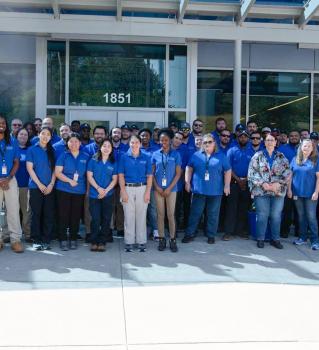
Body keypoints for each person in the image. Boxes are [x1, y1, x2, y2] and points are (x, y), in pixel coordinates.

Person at [182, 134, 231, 244]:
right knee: (195, 213)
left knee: (213, 214)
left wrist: (227, 185)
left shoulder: (221, 156)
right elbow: (189, 168)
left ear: (214, 143)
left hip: (215, 191)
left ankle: (211, 235)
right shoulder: (196, 155)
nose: (207, 144)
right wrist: (187, 182)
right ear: (202, 144)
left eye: (210, 142)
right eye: (205, 142)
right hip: (199, 190)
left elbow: (227, 170)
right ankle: (190, 234)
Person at [248, 134, 291, 249]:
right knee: (262, 215)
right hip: (261, 191)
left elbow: (287, 173)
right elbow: (252, 173)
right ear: (264, 142)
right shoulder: (257, 156)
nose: (270, 142)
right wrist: (263, 184)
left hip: (277, 191)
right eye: (268, 140)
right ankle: (260, 238)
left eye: (272, 140)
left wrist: (278, 184)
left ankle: (275, 239)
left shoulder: (281, 157)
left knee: (276, 216)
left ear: (276, 142)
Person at [55, 133, 89, 250]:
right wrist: (70, 181)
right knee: (63, 215)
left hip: (79, 191)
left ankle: (73, 238)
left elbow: (88, 174)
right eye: (71, 141)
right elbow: (57, 172)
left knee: (75, 216)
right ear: (67, 143)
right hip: (63, 189)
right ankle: (63, 239)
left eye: (76, 141)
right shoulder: (63, 155)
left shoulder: (85, 156)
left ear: (80, 143)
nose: (73, 144)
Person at [118, 135, 152, 252]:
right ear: (129, 143)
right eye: (132, 142)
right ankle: (129, 241)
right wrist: (123, 192)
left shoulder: (147, 157)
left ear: (140, 143)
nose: (134, 145)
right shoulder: (123, 157)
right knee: (129, 215)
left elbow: (149, 176)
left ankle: (141, 241)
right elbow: (121, 175)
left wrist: (148, 192)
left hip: (142, 188)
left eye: (137, 142)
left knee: (141, 216)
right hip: (128, 188)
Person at [26, 127, 56, 251]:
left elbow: (55, 169)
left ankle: (46, 239)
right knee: (36, 214)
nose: (45, 136)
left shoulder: (52, 150)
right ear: (39, 134)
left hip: (50, 187)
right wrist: (40, 184)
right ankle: (36, 239)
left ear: (50, 137)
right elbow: (30, 168)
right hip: (35, 187)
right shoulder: (32, 149)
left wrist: (51, 184)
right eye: (43, 133)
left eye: (48, 134)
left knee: (48, 214)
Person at [152, 129, 181, 252]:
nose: (164, 142)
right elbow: (151, 173)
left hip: (172, 189)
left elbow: (178, 173)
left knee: (170, 215)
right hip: (158, 189)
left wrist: (169, 188)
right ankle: (162, 239)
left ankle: (172, 239)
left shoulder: (176, 154)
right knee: (160, 215)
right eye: (161, 140)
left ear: (170, 141)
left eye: (166, 140)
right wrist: (157, 187)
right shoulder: (155, 154)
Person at [87, 138, 117, 252]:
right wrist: (99, 189)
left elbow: (114, 180)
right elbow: (89, 176)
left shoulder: (113, 162)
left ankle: (102, 241)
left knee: (106, 218)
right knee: (95, 218)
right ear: (100, 147)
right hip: (95, 195)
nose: (106, 148)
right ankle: (94, 241)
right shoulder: (93, 160)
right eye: (104, 146)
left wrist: (105, 191)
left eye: (109, 146)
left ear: (111, 149)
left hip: (108, 195)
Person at [288, 139, 319, 250]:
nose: (306, 148)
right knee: (301, 217)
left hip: (311, 194)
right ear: (301, 147)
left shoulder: (316, 160)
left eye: (309, 146)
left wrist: (316, 192)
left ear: (312, 148)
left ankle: (315, 240)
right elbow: (290, 176)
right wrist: (289, 190)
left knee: (311, 217)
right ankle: (302, 238)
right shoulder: (295, 159)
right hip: (297, 193)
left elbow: (318, 178)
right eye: (305, 146)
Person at [223, 130, 253, 240]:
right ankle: (228, 232)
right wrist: (238, 180)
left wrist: (245, 180)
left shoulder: (252, 151)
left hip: (247, 183)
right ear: (237, 138)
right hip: (234, 183)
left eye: (245, 137)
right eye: (241, 137)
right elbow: (228, 167)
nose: (243, 138)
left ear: (248, 139)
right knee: (231, 208)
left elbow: (254, 168)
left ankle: (240, 231)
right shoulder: (231, 150)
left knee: (243, 208)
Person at [0, 115, 23, 253]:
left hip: (10, 180)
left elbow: (16, 162)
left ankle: (15, 240)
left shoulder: (13, 141)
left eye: (3, 122)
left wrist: (8, 178)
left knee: (13, 210)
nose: (1, 124)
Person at [83, 125, 107, 242]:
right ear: (93, 135)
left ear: (105, 135)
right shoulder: (87, 149)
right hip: (90, 185)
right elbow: (86, 171)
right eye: (97, 133)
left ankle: (105, 233)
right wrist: (88, 189)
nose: (99, 136)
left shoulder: (109, 148)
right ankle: (89, 232)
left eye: (101, 134)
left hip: (106, 187)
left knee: (105, 212)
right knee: (90, 211)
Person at [278, 130, 300, 238]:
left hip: (300, 183)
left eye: (296, 136)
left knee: (299, 210)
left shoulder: (303, 148)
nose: (294, 137)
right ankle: (284, 231)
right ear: (288, 137)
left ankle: (299, 232)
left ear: (299, 137)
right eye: (291, 136)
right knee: (287, 209)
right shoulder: (282, 149)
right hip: (286, 183)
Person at [139, 128, 159, 239]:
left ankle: (155, 230)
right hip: (139, 183)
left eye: (146, 135)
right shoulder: (136, 148)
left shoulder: (156, 149)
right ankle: (141, 231)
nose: (144, 137)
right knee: (140, 208)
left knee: (152, 209)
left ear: (150, 137)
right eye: (142, 135)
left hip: (152, 184)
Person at [16, 128, 31, 242]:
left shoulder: (30, 150)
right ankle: (8, 234)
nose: (23, 136)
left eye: (25, 135)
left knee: (26, 211)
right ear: (17, 136)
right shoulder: (11, 149)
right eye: (21, 134)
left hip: (26, 185)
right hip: (12, 185)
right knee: (10, 211)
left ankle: (27, 233)